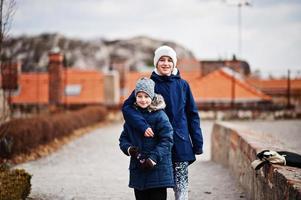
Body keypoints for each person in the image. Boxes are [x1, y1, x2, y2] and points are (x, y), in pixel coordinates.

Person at [122, 45, 203, 200]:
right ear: (156, 63)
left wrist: (197, 143)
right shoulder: (148, 84)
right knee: (158, 188)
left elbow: (192, 115)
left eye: (169, 60)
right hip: (156, 146)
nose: (166, 63)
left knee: (181, 189)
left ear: (174, 63)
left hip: (180, 144)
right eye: (162, 60)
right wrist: (143, 125)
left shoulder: (183, 85)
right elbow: (127, 107)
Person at [119, 77, 174, 200]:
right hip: (138, 170)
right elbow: (123, 139)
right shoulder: (132, 118)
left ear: (152, 97)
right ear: (135, 97)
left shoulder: (160, 116)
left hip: (157, 170)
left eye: (146, 96)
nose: (143, 100)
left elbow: (167, 140)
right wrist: (129, 149)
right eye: (140, 96)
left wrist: (153, 158)